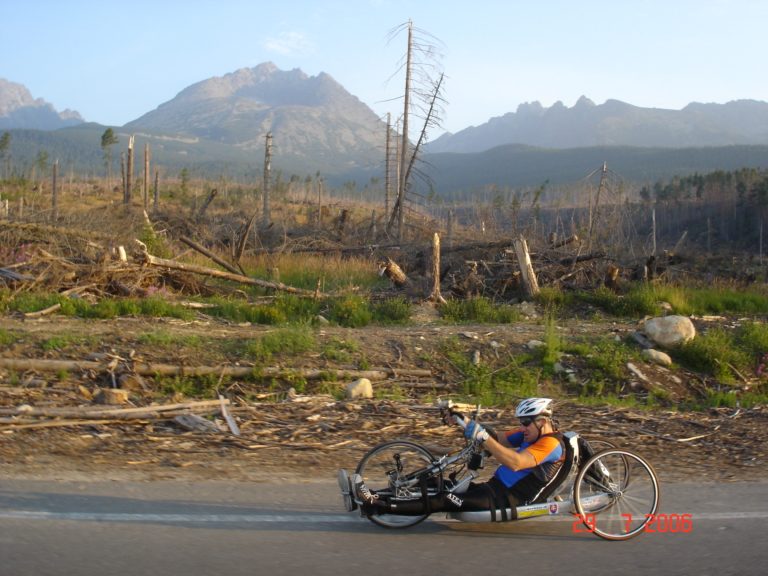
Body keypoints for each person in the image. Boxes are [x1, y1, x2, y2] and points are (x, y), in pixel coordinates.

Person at [338, 397, 565, 520]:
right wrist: (463, 420)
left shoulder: (550, 443)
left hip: (505, 500)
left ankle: (376, 507)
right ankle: (368, 495)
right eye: (521, 423)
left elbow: (515, 463)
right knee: (439, 483)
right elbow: (500, 438)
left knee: (445, 498)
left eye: (526, 422)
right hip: (492, 488)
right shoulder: (531, 434)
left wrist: (483, 437)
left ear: (542, 421)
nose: (522, 427)